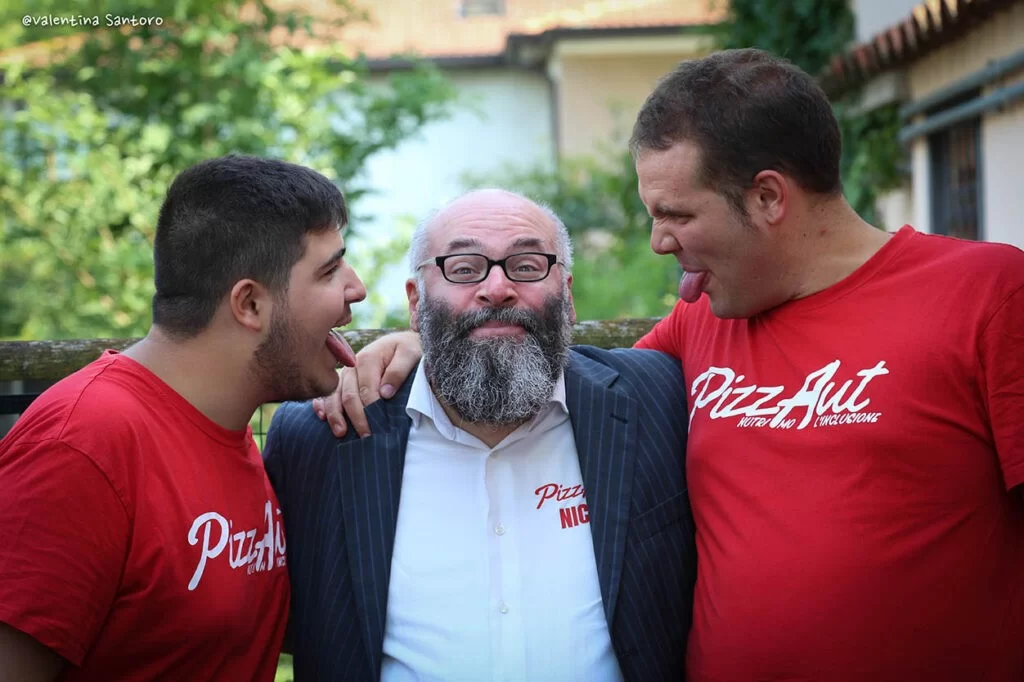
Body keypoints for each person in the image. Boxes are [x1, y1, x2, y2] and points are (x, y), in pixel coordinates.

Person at [321, 49, 1024, 681]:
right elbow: (562, 374)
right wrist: (429, 341)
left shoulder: (987, 296)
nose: (659, 241)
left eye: (676, 214)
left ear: (768, 197)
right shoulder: (703, 321)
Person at [262, 188, 695, 681]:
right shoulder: (320, 438)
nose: (497, 288)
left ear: (568, 295)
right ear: (415, 302)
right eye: (463, 269)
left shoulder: (660, 397)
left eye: (527, 266)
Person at [0, 154, 367, 682]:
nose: (357, 288)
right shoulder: (82, 443)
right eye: (330, 271)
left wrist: (420, 355)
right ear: (250, 304)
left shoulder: (227, 428)